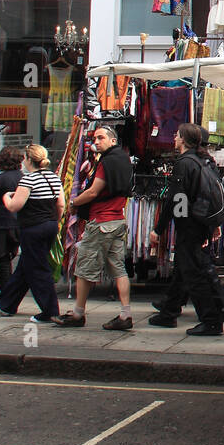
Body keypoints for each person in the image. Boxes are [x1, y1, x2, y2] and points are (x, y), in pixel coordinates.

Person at [148, 123, 224, 336]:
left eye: (176, 135)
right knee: (188, 270)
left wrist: (163, 227)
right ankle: (169, 312)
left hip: (190, 227)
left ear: (183, 139)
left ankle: (211, 320)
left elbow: (177, 198)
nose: (174, 138)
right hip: (200, 224)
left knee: (194, 276)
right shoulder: (203, 161)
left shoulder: (185, 163)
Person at [56, 123, 135, 330]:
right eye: (95, 138)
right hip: (118, 221)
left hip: (101, 223)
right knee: (119, 269)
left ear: (113, 140)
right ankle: (125, 314)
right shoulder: (124, 160)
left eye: (101, 138)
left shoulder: (106, 162)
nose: (96, 142)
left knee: (84, 269)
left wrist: (73, 203)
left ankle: (77, 314)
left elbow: (93, 192)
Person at [0, 143, 65, 322]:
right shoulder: (53, 178)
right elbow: (61, 205)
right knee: (25, 267)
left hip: (32, 228)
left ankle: (50, 310)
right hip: (49, 225)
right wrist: (54, 221)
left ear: (28, 160)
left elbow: (14, 206)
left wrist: (6, 196)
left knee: (38, 269)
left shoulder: (29, 180)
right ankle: (7, 303)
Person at [0, 146, 23, 300]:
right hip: (20, 223)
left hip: (1, 224)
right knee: (16, 258)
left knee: (2, 261)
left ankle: (6, 294)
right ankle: (11, 293)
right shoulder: (24, 177)